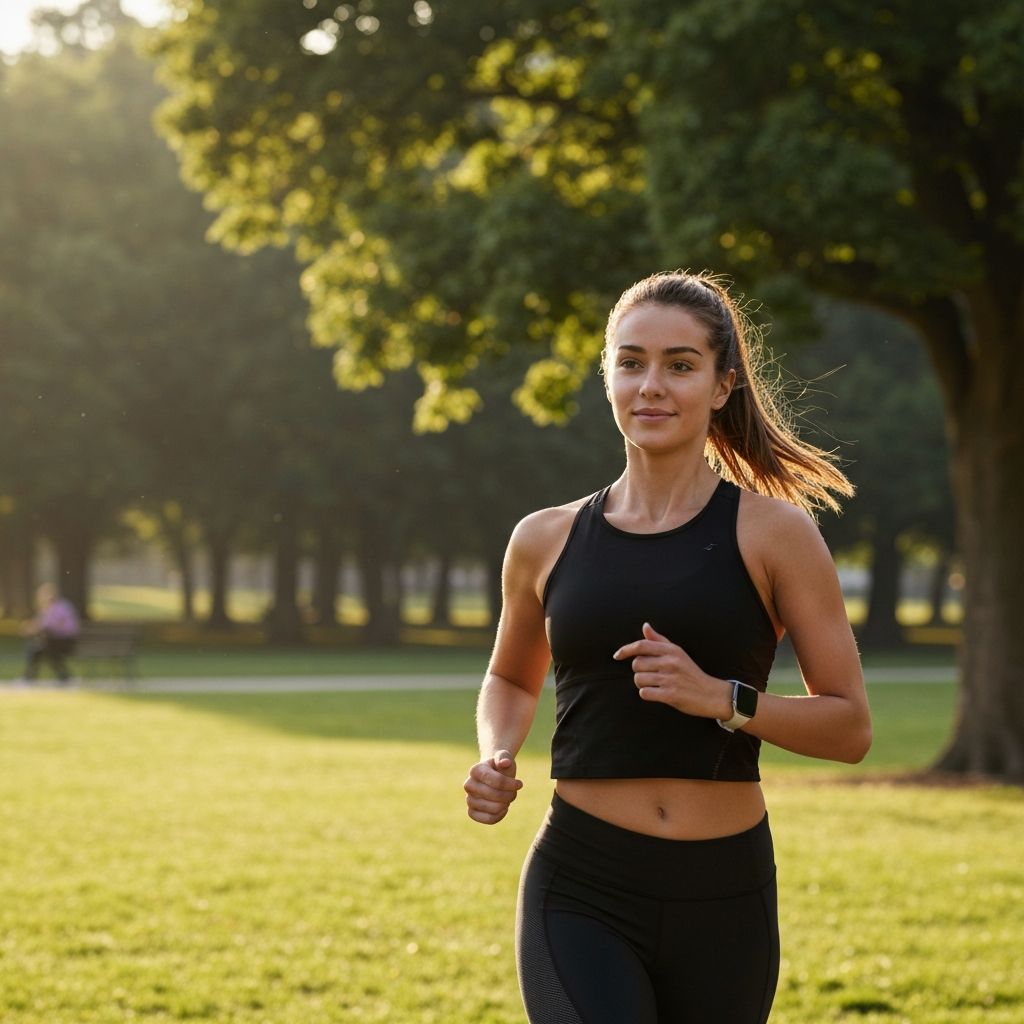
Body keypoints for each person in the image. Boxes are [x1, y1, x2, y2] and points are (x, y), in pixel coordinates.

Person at [463, 270, 872, 1024]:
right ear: (608, 376)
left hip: (726, 894)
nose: (651, 385)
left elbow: (849, 727)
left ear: (722, 386)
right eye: (631, 362)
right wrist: (496, 753)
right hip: (581, 885)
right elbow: (511, 680)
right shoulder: (543, 538)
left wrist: (723, 699)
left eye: (680, 365)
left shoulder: (776, 535)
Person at [18, 582, 81, 686]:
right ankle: (63, 677)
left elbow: (46, 625)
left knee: (40, 649)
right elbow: (42, 623)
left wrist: (29, 629)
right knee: (39, 649)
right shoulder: (56, 606)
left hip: (66, 641)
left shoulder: (57, 607)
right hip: (60, 640)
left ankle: (29, 678)